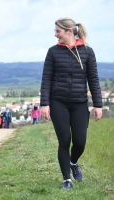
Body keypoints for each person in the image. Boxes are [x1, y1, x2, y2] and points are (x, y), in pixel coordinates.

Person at [40, 18, 102, 189]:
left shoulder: (87, 52)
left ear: (69, 31)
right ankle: (66, 180)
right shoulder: (53, 52)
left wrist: (98, 105)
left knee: (80, 142)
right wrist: (45, 103)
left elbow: (93, 80)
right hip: (58, 101)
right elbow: (46, 79)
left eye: (58, 31)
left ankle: (73, 163)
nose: (55, 34)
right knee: (64, 140)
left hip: (79, 102)